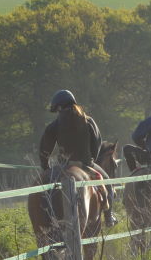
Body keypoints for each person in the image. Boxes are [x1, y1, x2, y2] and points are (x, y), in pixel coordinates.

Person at [38, 89, 116, 226]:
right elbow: (97, 143)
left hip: (63, 166)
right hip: (85, 164)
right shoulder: (88, 121)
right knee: (107, 182)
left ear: (60, 107)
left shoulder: (54, 125)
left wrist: (45, 167)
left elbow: (44, 149)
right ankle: (109, 217)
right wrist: (91, 159)